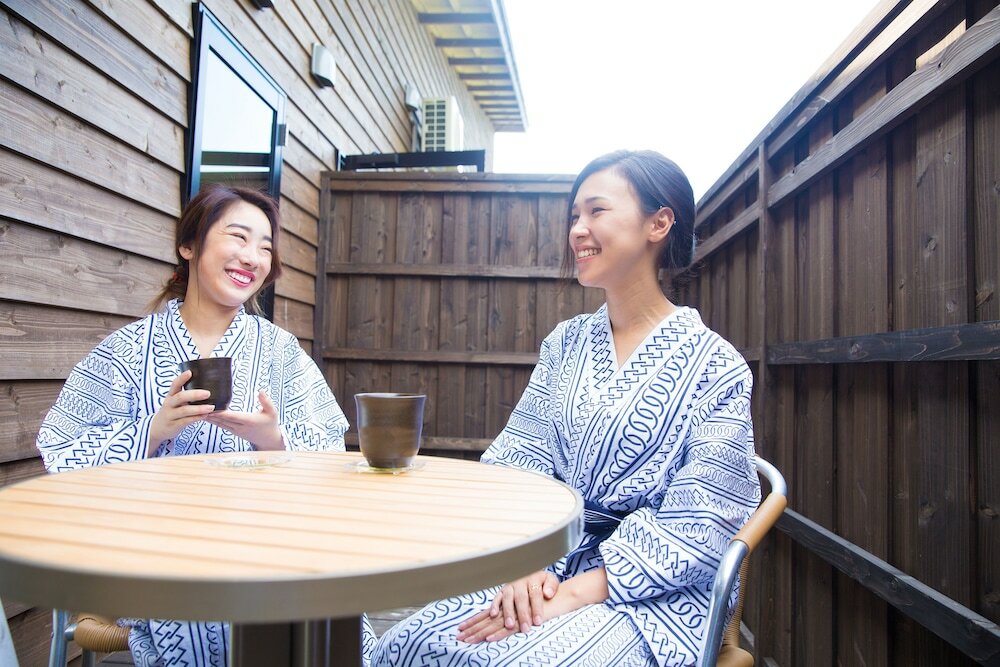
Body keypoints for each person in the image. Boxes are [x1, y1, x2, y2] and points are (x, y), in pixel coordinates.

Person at [370, 150, 761, 666]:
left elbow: (702, 523)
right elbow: (518, 461)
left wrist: (571, 593)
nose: (578, 229)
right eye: (575, 215)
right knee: (412, 642)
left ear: (658, 223)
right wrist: (525, 562)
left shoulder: (717, 367)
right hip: (545, 563)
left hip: (652, 594)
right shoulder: (565, 344)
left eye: (597, 211)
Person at [36, 185, 354, 667]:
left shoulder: (282, 352)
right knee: (219, 612)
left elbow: (332, 456)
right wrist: (153, 430)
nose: (254, 256)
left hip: (269, 546)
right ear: (188, 246)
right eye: (239, 237)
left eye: (265, 246)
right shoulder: (125, 351)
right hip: (158, 555)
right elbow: (61, 447)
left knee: (331, 607)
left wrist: (274, 441)